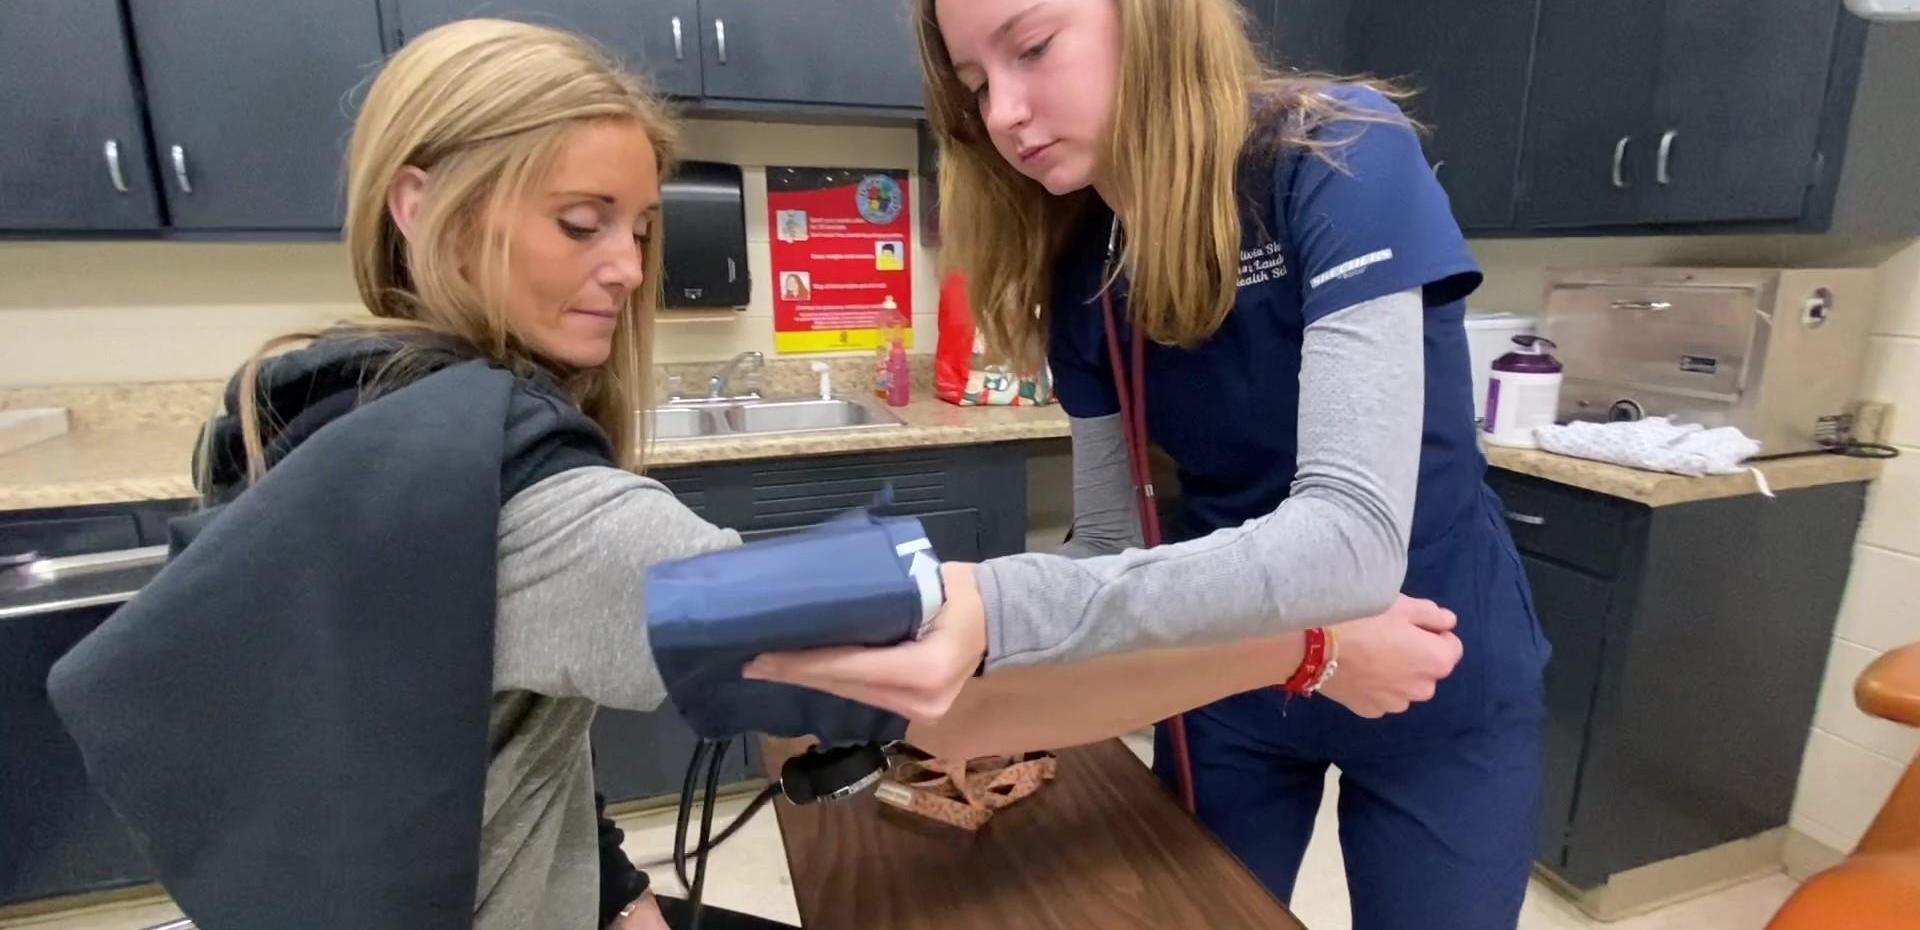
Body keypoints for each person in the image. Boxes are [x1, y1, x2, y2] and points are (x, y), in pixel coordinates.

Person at [42, 16, 1463, 930]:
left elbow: (450, 740)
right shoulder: (521, 504)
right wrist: (1303, 644)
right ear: (421, 203)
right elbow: (943, 686)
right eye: (582, 220)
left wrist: (607, 889)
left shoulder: (310, 406)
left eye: (642, 228)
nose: (626, 267)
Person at [747, 1, 1552, 928]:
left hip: (1436, 661)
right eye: (975, 85)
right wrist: (949, 654)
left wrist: (995, 606)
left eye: (1034, 49)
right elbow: (1107, 545)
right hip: (1231, 679)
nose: (1003, 113)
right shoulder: (1085, 262)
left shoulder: (1340, 157)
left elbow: (1351, 544)